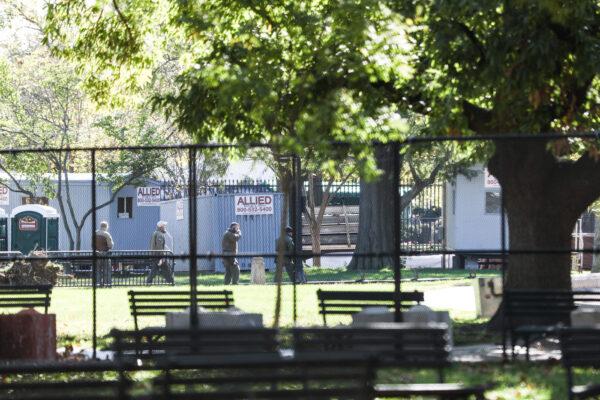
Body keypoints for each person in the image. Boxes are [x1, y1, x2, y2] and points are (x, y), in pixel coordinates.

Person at [94, 221, 114, 287]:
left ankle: (97, 284)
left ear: (100, 226)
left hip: (96, 254)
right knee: (107, 270)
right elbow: (110, 245)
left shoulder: (95, 233)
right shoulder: (106, 234)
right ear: (106, 227)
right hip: (105, 254)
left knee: (97, 270)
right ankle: (107, 284)